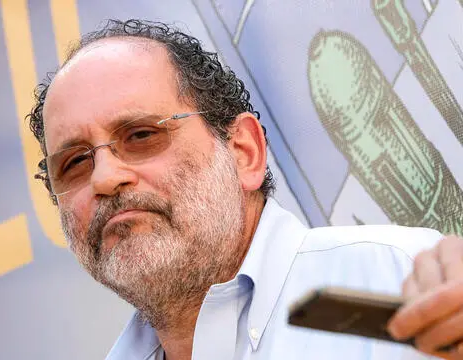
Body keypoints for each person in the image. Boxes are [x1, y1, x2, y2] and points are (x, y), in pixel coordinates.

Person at [26, 19, 463, 360]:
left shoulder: (399, 280)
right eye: (75, 162)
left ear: (244, 152)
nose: (104, 177)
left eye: (141, 135)